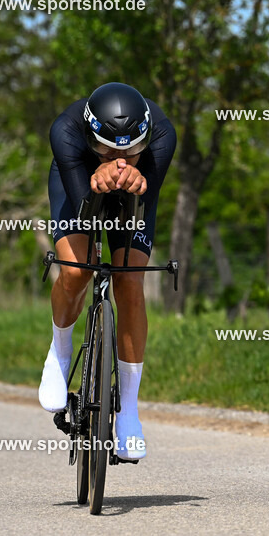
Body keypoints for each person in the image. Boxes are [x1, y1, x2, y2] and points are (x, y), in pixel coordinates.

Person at [39, 82, 176, 460]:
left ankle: (129, 409)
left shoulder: (163, 134)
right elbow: (84, 205)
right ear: (89, 138)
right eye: (108, 151)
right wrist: (96, 174)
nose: (120, 160)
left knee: (129, 282)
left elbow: (141, 203)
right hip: (77, 180)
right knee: (75, 271)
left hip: (136, 192)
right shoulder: (66, 130)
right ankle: (60, 350)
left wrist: (133, 176)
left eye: (130, 151)